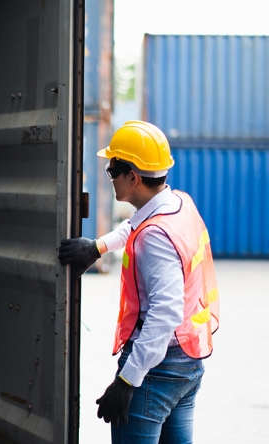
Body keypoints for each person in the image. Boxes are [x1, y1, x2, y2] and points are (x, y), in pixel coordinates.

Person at [58, 120, 220, 444]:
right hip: (188, 360)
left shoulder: (155, 238)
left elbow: (166, 312)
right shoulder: (179, 204)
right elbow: (135, 226)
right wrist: (97, 247)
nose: (109, 177)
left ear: (132, 177)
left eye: (111, 170)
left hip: (157, 370)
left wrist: (127, 381)